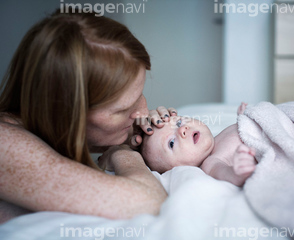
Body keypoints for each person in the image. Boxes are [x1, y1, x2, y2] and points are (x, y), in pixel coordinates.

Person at [0, 8, 175, 223]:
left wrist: (147, 140)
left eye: (140, 94)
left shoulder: (45, 132)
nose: (142, 112)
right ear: (65, 113)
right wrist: (121, 153)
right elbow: (147, 202)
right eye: (121, 110)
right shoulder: (5, 144)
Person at [140, 103, 258, 187]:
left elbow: (239, 131)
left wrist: (243, 119)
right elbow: (224, 173)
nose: (182, 129)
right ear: (175, 169)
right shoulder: (210, 163)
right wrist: (237, 172)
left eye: (179, 122)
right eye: (171, 142)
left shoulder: (218, 139)